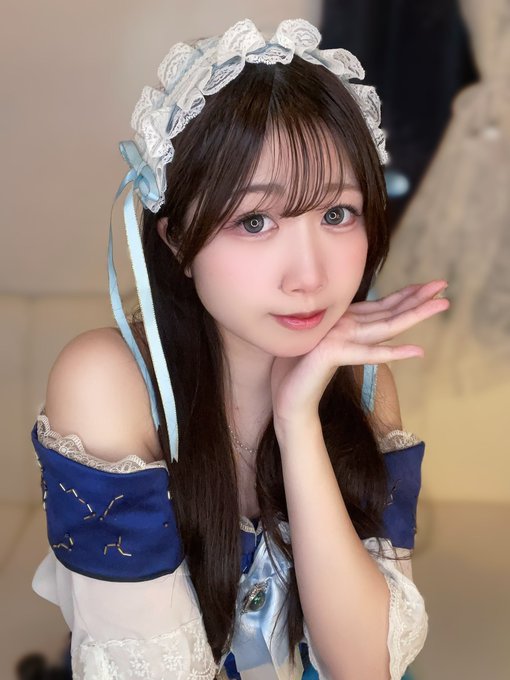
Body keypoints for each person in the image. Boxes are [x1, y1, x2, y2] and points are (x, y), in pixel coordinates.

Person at [30, 18, 449, 680]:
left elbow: (365, 666)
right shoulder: (108, 382)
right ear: (176, 240)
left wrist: (297, 418)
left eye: (336, 214)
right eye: (255, 221)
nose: (308, 276)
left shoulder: (359, 378)